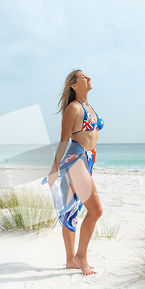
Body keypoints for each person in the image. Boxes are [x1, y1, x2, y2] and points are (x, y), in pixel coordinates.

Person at [42, 69, 105, 275]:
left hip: (87, 160)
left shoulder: (89, 107)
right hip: (75, 159)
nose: (88, 78)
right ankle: (81, 257)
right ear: (74, 85)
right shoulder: (73, 108)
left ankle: (70, 260)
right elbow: (63, 140)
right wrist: (53, 170)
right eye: (82, 77)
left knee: (71, 211)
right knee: (95, 210)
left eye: (87, 76)